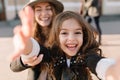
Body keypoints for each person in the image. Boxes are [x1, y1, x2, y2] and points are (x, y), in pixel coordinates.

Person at [11, 10, 120, 80]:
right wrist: (26, 44)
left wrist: (111, 71)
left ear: (84, 35)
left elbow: (99, 63)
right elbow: (36, 50)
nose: (71, 39)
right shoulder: (51, 53)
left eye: (77, 32)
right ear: (56, 37)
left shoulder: (87, 55)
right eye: (64, 33)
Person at [10, 0, 64, 80]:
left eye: (48, 8)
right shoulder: (28, 34)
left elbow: (46, 54)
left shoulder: (63, 32)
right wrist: (25, 60)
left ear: (54, 11)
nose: (44, 14)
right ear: (32, 13)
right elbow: (13, 66)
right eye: (38, 10)